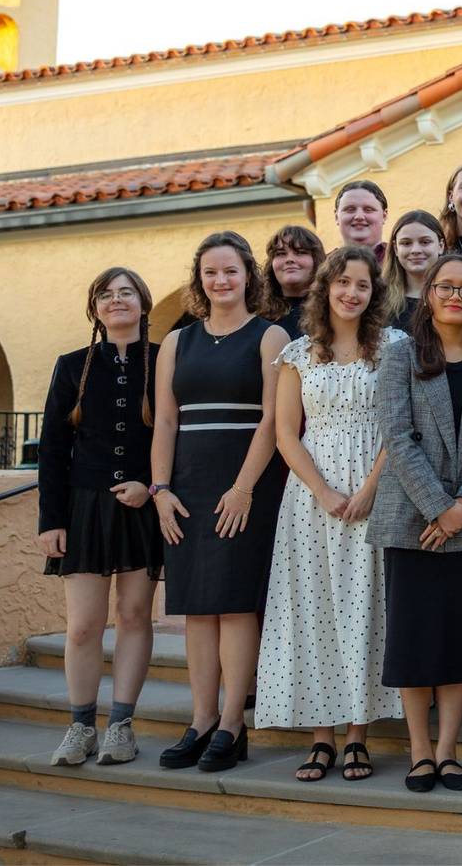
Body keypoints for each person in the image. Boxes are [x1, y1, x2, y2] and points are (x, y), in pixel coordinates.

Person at [256, 246, 405, 783]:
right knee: (314, 611)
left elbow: (399, 428)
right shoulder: (298, 353)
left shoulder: (393, 347)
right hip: (311, 502)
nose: (351, 293)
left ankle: (359, 735)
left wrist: (369, 488)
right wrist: (322, 491)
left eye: (362, 285)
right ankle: (321, 736)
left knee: (368, 609)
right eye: (342, 282)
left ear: (374, 293)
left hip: (378, 492)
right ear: (326, 288)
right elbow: (284, 433)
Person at [151, 231, 289, 773]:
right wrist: (161, 490)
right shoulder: (175, 343)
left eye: (230, 270)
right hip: (186, 485)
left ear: (248, 275)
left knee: (233, 605)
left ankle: (233, 724)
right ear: (199, 278)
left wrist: (243, 487)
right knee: (196, 611)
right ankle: (201, 720)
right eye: (211, 271)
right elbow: (164, 420)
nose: (221, 280)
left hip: (244, 485)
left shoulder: (269, 335)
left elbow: (274, 420)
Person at [369, 253, 462, 794]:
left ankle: (448, 750)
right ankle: (419, 750)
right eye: (445, 286)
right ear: (430, 294)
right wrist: (436, 506)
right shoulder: (400, 355)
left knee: (457, 640)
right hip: (411, 519)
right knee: (415, 638)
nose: (454, 295)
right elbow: (396, 436)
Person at [37, 268, 163, 768]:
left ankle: (122, 726)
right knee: (84, 626)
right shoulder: (72, 366)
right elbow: (52, 447)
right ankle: (80, 725)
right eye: (106, 295)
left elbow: (173, 432)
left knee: (134, 615)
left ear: (143, 303)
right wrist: (51, 520)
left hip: (142, 505)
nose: (116, 301)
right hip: (84, 506)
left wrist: (150, 488)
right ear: (95, 309)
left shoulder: (163, 361)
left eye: (126, 293)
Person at [383, 210, 445, 333]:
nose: (415, 250)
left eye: (425, 242)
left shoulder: (455, 297)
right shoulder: (379, 299)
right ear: (396, 248)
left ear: (440, 245)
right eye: (406, 243)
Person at [261, 225, 327, 339]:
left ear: (316, 260)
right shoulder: (258, 315)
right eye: (281, 254)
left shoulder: (332, 312)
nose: (289, 259)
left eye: (300, 252)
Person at [335, 180, 390, 261]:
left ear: (384, 216)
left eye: (368, 209)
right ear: (336, 217)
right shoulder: (321, 266)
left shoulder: (402, 262)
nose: (359, 216)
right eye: (350, 209)